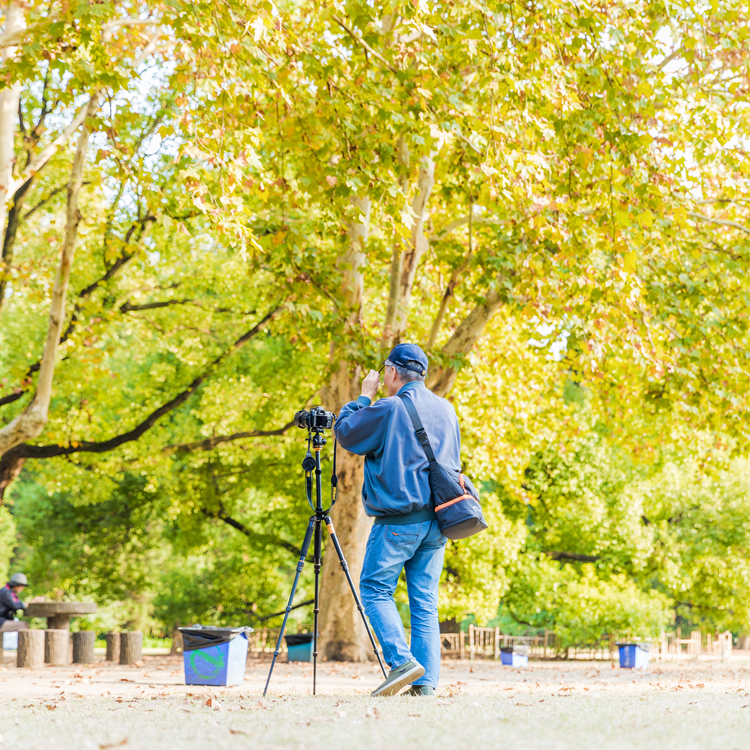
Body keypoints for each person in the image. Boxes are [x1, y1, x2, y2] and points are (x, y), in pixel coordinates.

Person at [334, 343, 461, 697]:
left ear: (391, 373)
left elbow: (346, 433)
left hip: (398, 522)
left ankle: (402, 662)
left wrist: (363, 396)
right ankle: (425, 686)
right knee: (425, 602)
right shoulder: (447, 410)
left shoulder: (388, 408)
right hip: (438, 522)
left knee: (375, 591)